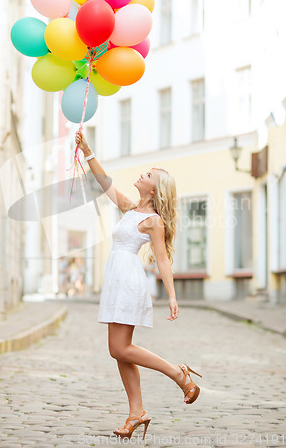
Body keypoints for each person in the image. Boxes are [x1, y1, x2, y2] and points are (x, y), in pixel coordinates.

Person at [75, 129, 202, 441]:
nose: (143, 173)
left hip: (130, 281)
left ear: (155, 189)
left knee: (119, 348)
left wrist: (172, 296)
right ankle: (137, 412)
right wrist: (87, 148)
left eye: (149, 174)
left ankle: (177, 373)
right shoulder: (130, 208)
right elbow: (103, 181)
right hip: (116, 280)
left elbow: (162, 259)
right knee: (119, 352)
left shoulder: (154, 221)